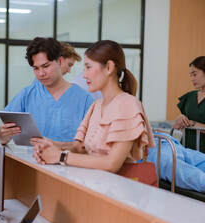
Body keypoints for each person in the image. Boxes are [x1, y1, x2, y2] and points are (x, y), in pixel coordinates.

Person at [31, 40, 155, 173]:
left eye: (88, 67)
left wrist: (61, 156)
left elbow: (111, 163)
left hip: (115, 189)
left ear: (109, 67)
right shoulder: (96, 105)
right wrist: (53, 146)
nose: (84, 75)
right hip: (92, 184)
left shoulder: (128, 105)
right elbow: (81, 149)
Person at [0, 37, 94, 144]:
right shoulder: (27, 94)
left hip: (68, 160)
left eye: (46, 66)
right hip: (31, 160)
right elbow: (3, 138)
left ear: (60, 61)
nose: (41, 73)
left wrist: (56, 146)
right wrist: (3, 135)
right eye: (36, 68)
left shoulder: (84, 99)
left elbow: (90, 145)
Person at [173, 56, 205, 153]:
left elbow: (190, 122)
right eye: (190, 75)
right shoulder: (189, 97)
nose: (192, 79)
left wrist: (193, 124)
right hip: (186, 151)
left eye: (194, 75)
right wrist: (180, 118)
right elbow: (179, 124)